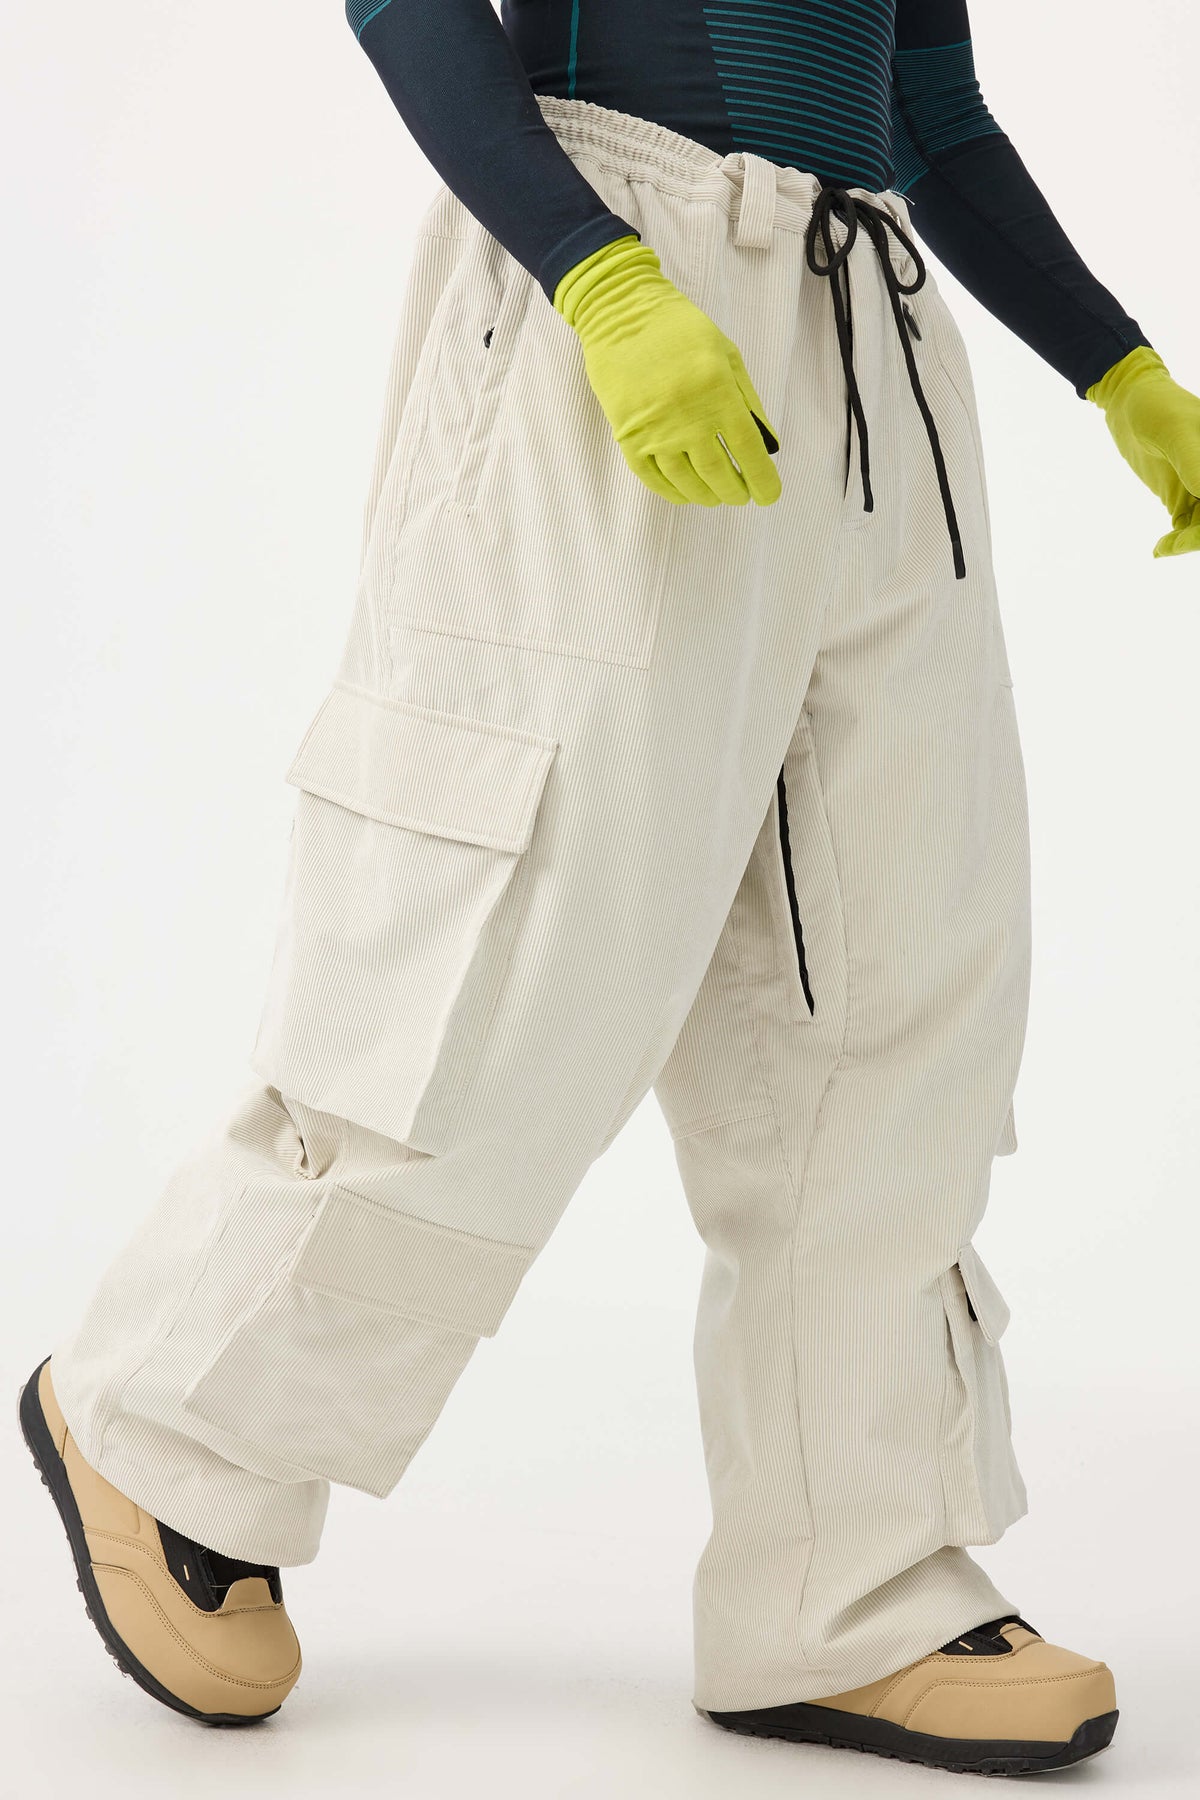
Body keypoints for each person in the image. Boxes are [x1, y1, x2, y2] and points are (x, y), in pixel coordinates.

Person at [21, 0, 1198, 1772]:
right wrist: (600, 275)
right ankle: (174, 1431)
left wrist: (1116, 366)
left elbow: (930, 105)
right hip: (615, 273)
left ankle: (847, 1580)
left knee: (892, 989)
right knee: (509, 954)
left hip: (873, 332)